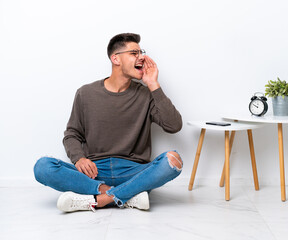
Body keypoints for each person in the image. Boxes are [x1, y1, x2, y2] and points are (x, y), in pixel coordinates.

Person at [34, 33, 183, 212]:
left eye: (141, 52)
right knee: (42, 167)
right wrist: (79, 158)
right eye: (134, 53)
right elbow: (72, 134)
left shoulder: (146, 94)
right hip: (94, 172)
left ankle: (100, 200)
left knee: (173, 160)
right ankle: (125, 195)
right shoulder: (86, 93)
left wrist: (153, 84)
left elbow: (174, 125)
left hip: (133, 172)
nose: (141, 57)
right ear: (115, 58)